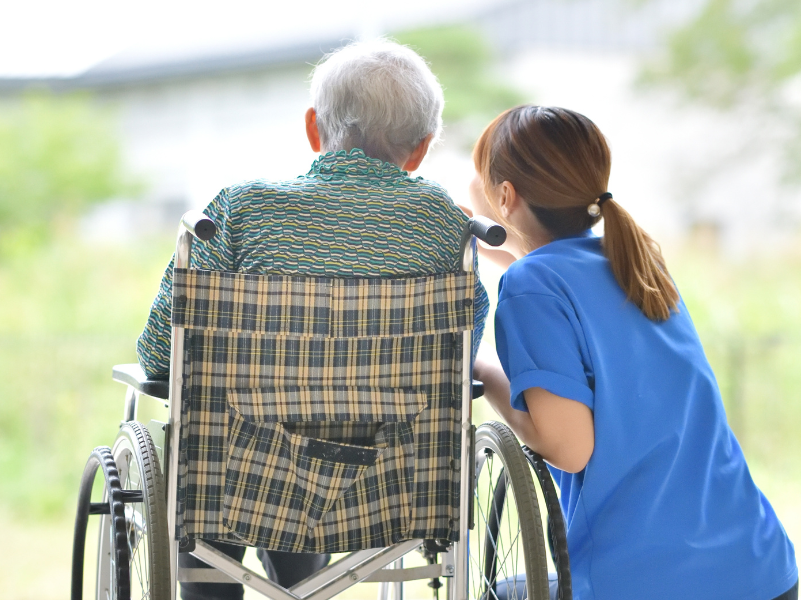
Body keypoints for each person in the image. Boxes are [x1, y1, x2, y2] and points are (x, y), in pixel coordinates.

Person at [137, 39, 489, 600]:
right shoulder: (445, 226)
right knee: (326, 433)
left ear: (312, 127)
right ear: (421, 149)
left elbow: (163, 352)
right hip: (390, 477)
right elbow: (460, 349)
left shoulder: (240, 210)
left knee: (239, 439)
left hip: (239, 475)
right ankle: (305, 578)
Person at [468, 105, 797, 600]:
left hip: (649, 582)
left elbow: (568, 447)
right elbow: (552, 266)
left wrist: (480, 365)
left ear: (506, 196)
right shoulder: (637, 259)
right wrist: (513, 248)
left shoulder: (531, 285)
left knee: (505, 591)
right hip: (762, 568)